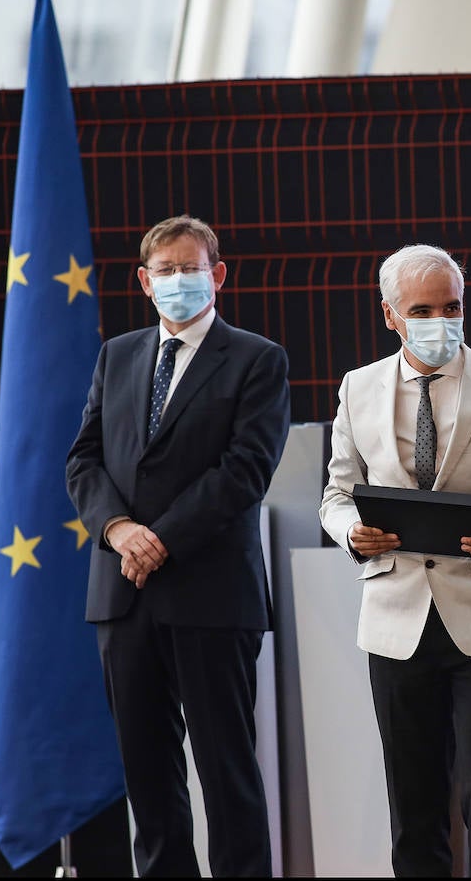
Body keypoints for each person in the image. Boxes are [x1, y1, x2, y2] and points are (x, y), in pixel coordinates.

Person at [319, 243, 471, 877]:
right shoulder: (359, 387)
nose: (439, 321)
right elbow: (337, 493)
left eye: (451, 306)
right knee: (414, 802)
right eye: (422, 309)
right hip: (396, 617)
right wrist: (352, 533)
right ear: (390, 316)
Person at [66, 215, 290, 876]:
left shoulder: (257, 358)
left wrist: (159, 538)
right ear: (143, 281)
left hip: (212, 596)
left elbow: (246, 469)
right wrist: (118, 530)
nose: (178, 281)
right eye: (164, 271)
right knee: (150, 780)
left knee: (228, 776)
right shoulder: (119, 355)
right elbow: (83, 461)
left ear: (218, 275)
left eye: (191, 269)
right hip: (123, 597)